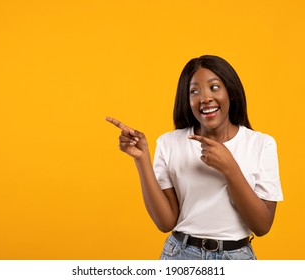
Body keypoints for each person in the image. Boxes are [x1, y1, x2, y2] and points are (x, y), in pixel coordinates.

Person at [106, 55, 283, 260]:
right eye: (194, 91)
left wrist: (229, 168)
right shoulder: (169, 143)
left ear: (231, 93)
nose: (205, 97)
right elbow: (165, 222)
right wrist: (142, 158)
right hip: (180, 255)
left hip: (237, 258)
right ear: (187, 100)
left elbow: (262, 226)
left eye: (214, 87)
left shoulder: (261, 144)